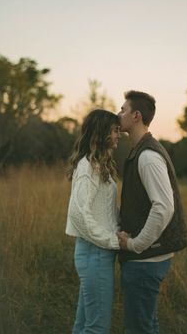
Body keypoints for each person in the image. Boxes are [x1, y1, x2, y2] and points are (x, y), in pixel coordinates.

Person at [117, 91, 187, 334]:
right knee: (147, 326)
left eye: (123, 110)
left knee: (139, 328)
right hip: (147, 260)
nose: (119, 114)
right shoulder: (142, 150)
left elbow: (163, 207)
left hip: (144, 261)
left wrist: (136, 244)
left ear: (136, 116)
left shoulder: (147, 156)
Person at [65, 109, 121, 334]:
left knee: (84, 325)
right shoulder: (88, 167)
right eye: (115, 130)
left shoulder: (100, 164)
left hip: (97, 253)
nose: (119, 135)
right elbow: (79, 214)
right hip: (95, 252)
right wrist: (112, 240)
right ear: (102, 132)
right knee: (97, 327)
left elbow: (102, 210)